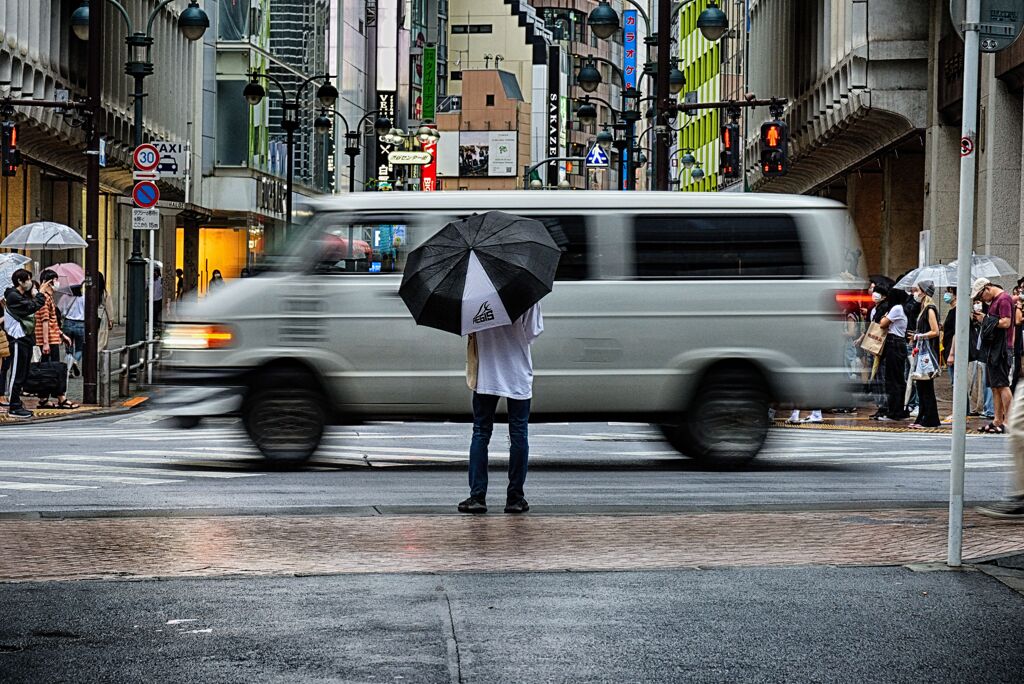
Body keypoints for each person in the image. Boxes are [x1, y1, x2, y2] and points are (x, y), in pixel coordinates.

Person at [458, 303, 543, 515]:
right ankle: (515, 498)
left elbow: (468, 330)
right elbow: (533, 332)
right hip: (518, 371)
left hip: (487, 373)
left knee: (481, 432)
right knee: (518, 433)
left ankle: (477, 497)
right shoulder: (526, 292)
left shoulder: (474, 294)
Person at [972, 277, 1014, 433]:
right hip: (993, 348)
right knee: (995, 386)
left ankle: (1008, 421)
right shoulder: (995, 301)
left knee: (1002, 384)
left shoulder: (1003, 299)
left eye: (981, 296)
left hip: (1002, 348)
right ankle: (997, 419)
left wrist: (986, 319)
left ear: (987, 288)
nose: (981, 299)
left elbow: (1006, 322)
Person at [3, 269, 47, 418]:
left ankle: (16, 403)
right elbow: (32, 307)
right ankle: (13, 406)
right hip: (17, 339)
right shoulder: (13, 296)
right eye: (27, 279)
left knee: (23, 373)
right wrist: (39, 294)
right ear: (20, 282)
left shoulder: (21, 295)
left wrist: (35, 295)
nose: (30, 282)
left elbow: (32, 304)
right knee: (16, 373)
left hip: (26, 339)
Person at [34, 269, 77, 410]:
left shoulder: (47, 297)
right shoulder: (44, 298)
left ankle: (44, 399)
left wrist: (61, 334)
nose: (57, 283)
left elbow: (52, 322)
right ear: (48, 282)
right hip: (48, 340)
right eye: (55, 281)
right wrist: (46, 343)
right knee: (54, 370)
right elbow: (45, 321)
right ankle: (60, 398)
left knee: (48, 370)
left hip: (52, 338)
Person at [908, 280, 940, 428]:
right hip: (921, 351)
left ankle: (930, 419)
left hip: (927, 353)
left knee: (926, 386)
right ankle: (922, 417)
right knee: (921, 385)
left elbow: (935, 331)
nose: (915, 292)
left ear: (925, 291)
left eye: (918, 289)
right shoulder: (923, 308)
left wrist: (919, 336)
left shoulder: (930, 309)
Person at [876, 286, 909, 421]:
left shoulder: (896, 309)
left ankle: (894, 412)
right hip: (899, 343)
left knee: (892, 379)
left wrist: (885, 315)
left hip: (893, 343)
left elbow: (882, 324)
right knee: (898, 379)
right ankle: (899, 409)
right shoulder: (904, 309)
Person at [60, 284, 86, 377]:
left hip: (68, 323)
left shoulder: (65, 297)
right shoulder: (84, 298)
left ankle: (69, 370)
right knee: (80, 348)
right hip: (81, 324)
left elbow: (60, 310)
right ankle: (75, 361)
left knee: (68, 348)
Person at [96, 271, 113, 352]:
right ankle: (99, 351)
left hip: (92, 316)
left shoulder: (89, 292)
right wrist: (111, 320)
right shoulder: (105, 293)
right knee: (102, 336)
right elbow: (109, 307)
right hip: (102, 317)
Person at [151, 266, 163, 333]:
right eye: (153, 272)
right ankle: (153, 328)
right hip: (151, 301)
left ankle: (157, 328)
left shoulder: (161, 280)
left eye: (155, 272)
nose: (154, 273)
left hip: (159, 300)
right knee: (152, 316)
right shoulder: (150, 280)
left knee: (157, 314)